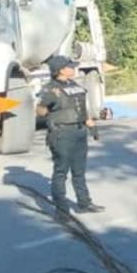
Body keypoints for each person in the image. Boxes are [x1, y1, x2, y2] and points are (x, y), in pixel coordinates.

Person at [37, 55, 104, 217]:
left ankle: (84, 203)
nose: (73, 69)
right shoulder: (50, 89)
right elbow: (40, 111)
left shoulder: (74, 85)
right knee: (61, 172)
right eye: (70, 67)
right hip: (62, 134)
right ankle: (62, 210)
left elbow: (81, 108)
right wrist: (47, 107)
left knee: (79, 171)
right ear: (60, 70)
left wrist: (91, 125)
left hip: (79, 131)